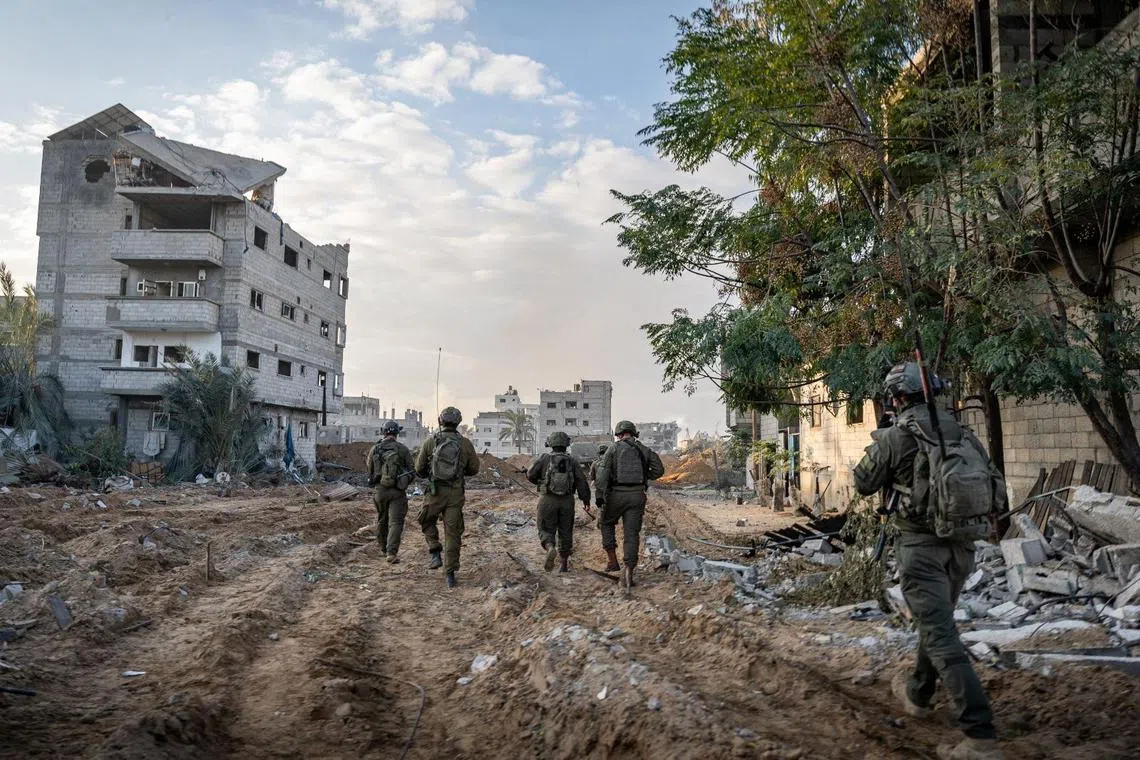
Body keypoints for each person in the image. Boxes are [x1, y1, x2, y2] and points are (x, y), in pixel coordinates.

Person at [854, 362, 1007, 760]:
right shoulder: (962, 433)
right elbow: (995, 485)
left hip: (921, 549)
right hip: (962, 546)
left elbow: (863, 482)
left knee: (939, 634)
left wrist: (885, 438)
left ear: (897, 398)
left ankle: (979, 734)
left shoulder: (896, 437)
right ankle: (918, 693)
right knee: (936, 622)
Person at [414, 406, 480, 588]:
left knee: (425, 520)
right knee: (453, 533)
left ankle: (434, 550)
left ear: (440, 421)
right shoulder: (465, 444)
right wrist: (459, 471)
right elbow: (474, 469)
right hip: (455, 495)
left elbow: (419, 469)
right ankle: (450, 574)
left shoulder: (430, 442)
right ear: (458, 422)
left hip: (434, 492)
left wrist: (432, 472)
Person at [594, 420, 665, 587]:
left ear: (618, 434)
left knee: (606, 523)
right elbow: (659, 470)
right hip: (637, 496)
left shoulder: (613, 449)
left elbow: (602, 475)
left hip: (615, 495)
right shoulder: (643, 449)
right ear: (634, 433)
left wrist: (599, 496)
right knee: (631, 534)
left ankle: (612, 561)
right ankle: (628, 570)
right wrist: (644, 476)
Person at [526, 431, 592, 573]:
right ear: (566, 444)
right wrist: (586, 499)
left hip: (547, 499)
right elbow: (581, 481)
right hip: (567, 501)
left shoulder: (544, 458)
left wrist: (540, 483)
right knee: (566, 530)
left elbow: (530, 474)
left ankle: (550, 547)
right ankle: (564, 565)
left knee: (545, 528)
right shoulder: (572, 461)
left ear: (550, 443)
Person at [367, 420, 415, 564]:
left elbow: (369, 469)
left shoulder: (375, 449)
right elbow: (412, 470)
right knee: (396, 522)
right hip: (397, 491)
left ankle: (383, 549)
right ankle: (391, 553)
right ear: (397, 433)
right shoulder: (402, 449)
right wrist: (404, 481)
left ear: (383, 432)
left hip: (380, 490)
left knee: (382, 519)